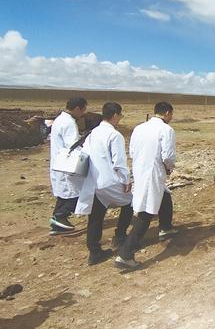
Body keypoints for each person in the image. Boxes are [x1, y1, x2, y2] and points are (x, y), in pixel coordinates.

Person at [114, 102, 177, 269]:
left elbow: (132, 151)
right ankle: (126, 254)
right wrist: (169, 168)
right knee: (146, 210)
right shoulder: (166, 130)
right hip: (153, 172)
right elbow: (168, 156)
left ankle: (166, 228)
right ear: (167, 113)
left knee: (164, 195)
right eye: (171, 115)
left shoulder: (139, 128)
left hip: (140, 169)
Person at [75, 102, 134, 266]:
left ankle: (94, 251)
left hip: (93, 181)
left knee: (95, 215)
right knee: (129, 203)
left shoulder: (93, 133)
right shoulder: (115, 135)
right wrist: (126, 179)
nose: (120, 118)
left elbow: (84, 154)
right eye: (120, 115)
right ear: (115, 115)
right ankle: (120, 236)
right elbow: (119, 161)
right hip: (109, 180)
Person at [49, 97, 88, 235]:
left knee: (64, 194)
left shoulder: (60, 119)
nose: (83, 114)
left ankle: (57, 221)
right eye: (83, 110)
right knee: (77, 193)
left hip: (59, 163)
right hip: (67, 165)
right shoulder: (69, 123)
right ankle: (60, 217)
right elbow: (73, 145)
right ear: (77, 108)